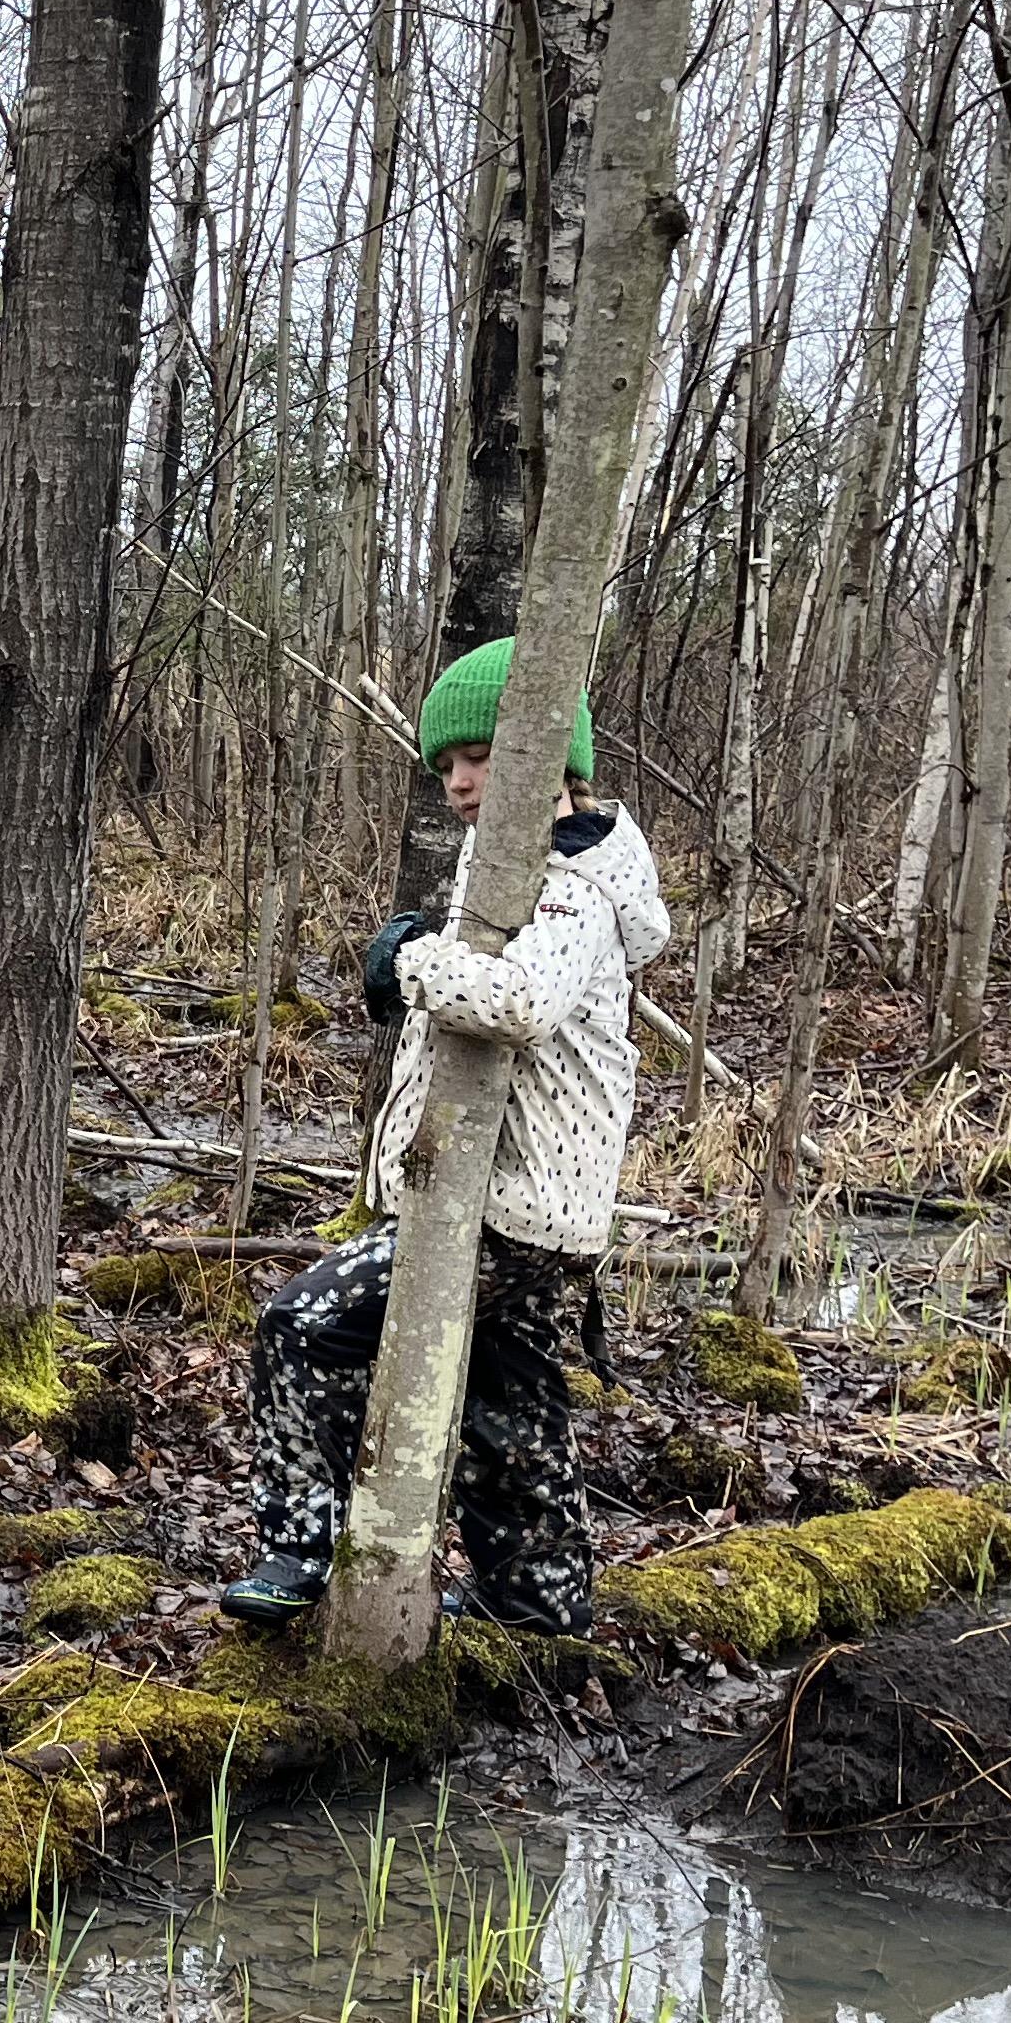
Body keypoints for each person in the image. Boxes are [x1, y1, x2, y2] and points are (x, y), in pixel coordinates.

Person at [220, 637, 670, 1635]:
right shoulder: (523, 857)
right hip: (529, 1205)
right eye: (445, 766)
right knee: (508, 1402)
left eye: (477, 757)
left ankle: (301, 1544)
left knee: (301, 1325)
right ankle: (540, 1602)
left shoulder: (576, 878)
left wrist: (409, 961)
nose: (459, 782)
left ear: (543, 755)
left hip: (510, 1210)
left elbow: (518, 1001)